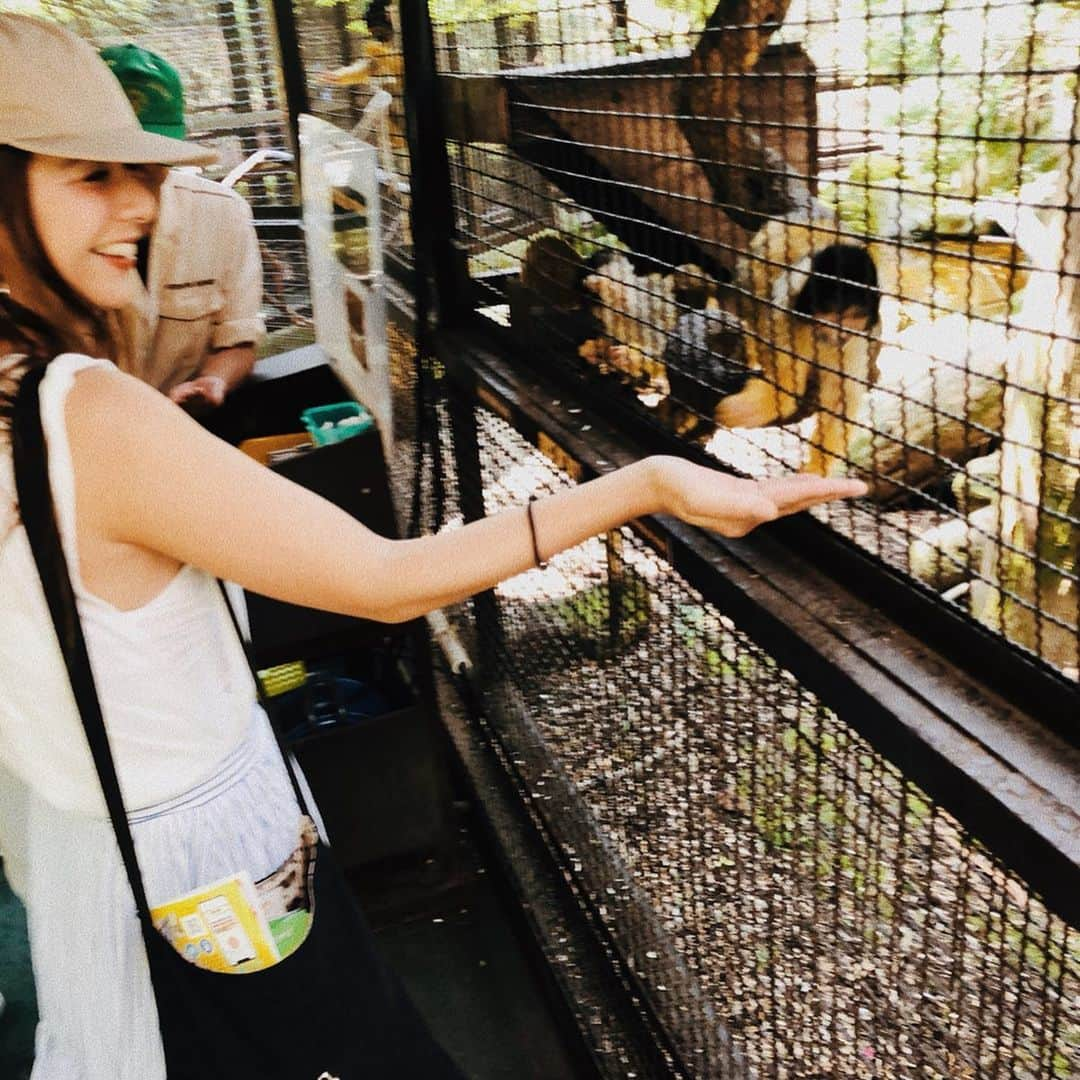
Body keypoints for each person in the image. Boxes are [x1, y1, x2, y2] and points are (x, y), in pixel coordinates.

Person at [0, 15, 866, 1080]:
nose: (141, 203)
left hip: (85, 852)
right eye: (92, 173)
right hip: (204, 861)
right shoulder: (82, 411)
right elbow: (384, 581)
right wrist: (642, 483)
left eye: (136, 170)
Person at [99, 42, 265, 411]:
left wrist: (215, 379)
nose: (136, 199)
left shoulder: (223, 215)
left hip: (187, 427)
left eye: (148, 160)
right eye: (103, 167)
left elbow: (238, 338)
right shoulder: (44, 230)